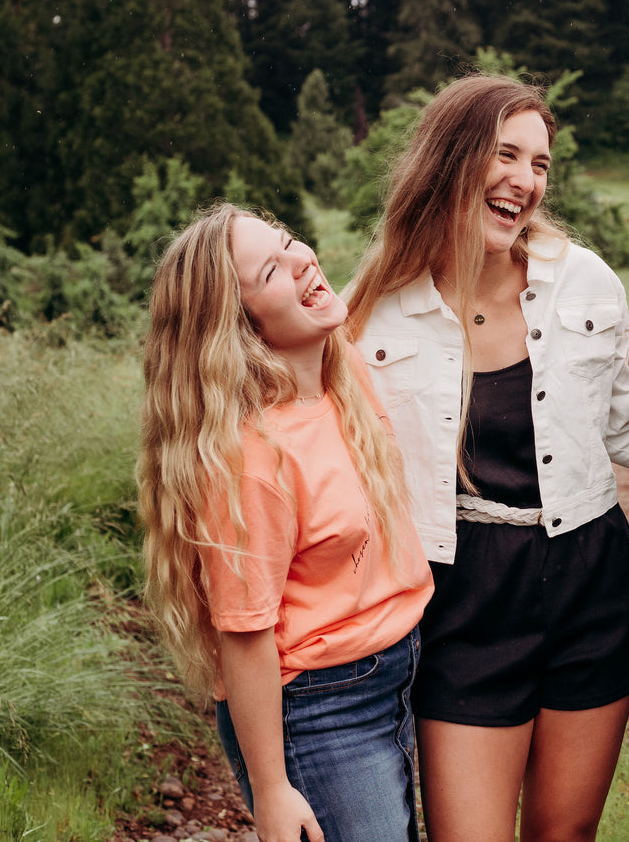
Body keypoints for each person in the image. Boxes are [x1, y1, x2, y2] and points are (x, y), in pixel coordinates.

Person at [342, 74, 629, 842]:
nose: (525, 179)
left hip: (589, 581)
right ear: (452, 159)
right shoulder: (373, 309)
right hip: (462, 595)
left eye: (540, 164)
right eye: (506, 155)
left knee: (563, 833)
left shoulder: (582, 280)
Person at [138, 204, 433, 842]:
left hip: (402, 669)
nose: (303, 259)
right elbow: (244, 635)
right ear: (237, 325)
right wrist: (272, 790)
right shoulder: (251, 458)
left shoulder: (342, 372)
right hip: (321, 707)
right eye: (273, 268)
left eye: (290, 241)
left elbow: (408, 249)